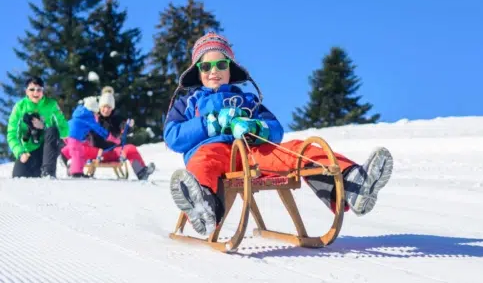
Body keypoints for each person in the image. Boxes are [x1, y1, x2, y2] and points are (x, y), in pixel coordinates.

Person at [164, 33, 394, 236]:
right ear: (198, 71)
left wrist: (255, 127)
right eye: (206, 67)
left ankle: (353, 183)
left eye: (221, 65)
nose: (214, 71)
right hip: (211, 151)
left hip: (251, 152)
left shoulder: (247, 100)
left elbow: (275, 129)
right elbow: (173, 136)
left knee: (295, 149)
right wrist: (209, 125)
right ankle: (203, 206)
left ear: (230, 69)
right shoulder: (188, 102)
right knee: (202, 164)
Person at [61, 87, 155, 180]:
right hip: (96, 152)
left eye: (109, 107)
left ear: (112, 108)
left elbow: (124, 127)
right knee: (78, 148)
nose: (106, 110)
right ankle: (70, 164)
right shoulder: (92, 118)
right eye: (104, 107)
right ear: (99, 107)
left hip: (113, 152)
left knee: (130, 148)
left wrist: (128, 126)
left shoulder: (116, 119)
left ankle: (141, 172)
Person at [7, 76, 69, 178]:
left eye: (39, 89)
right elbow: (11, 134)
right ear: (26, 91)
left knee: (52, 130)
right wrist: (20, 152)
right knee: (18, 177)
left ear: (42, 91)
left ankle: (48, 172)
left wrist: (44, 127)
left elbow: (65, 131)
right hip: (28, 151)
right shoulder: (19, 107)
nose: (35, 92)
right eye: (32, 89)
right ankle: (37, 169)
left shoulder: (51, 105)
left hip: (47, 148)